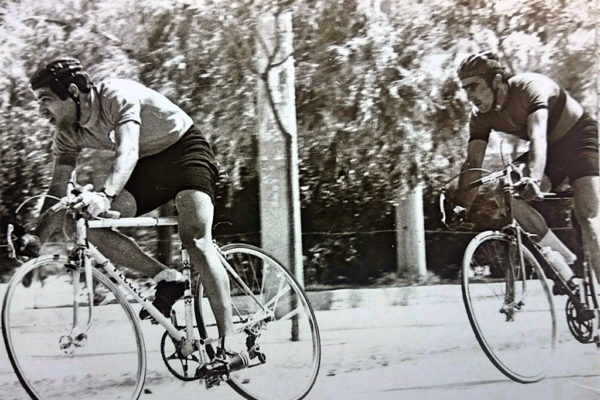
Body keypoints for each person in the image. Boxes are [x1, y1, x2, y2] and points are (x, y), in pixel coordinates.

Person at [29, 57, 243, 371]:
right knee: (83, 225)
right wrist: (35, 237)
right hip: (148, 169)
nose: (41, 111)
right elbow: (57, 190)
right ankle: (166, 277)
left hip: (184, 152)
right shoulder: (66, 133)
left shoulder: (115, 94)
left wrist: (105, 195)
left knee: (195, 238)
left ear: (73, 91)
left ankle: (231, 343)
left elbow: (127, 150)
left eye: (46, 101)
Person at [454, 51, 600, 297]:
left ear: (497, 81)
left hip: (579, 139)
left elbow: (538, 137)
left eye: (474, 87)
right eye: (465, 89)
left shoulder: (529, 87)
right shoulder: (480, 117)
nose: (470, 96)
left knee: (588, 216)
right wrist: (460, 205)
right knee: (506, 191)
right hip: (551, 151)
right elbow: (473, 162)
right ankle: (565, 265)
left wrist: (533, 177)